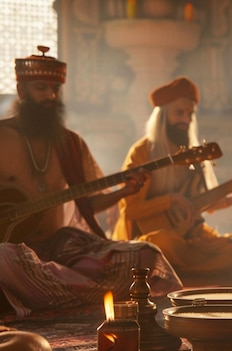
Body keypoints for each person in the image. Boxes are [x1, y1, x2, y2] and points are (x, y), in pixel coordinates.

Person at [0, 46, 183, 318]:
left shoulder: (70, 143)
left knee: (147, 255)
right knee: (4, 258)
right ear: (22, 90)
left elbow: (88, 204)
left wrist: (124, 191)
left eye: (55, 90)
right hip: (14, 251)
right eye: (41, 88)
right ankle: (82, 292)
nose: (50, 96)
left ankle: (45, 293)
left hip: (60, 248)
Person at [112, 76, 232, 277]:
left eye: (190, 114)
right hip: (153, 239)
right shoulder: (142, 153)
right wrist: (170, 201)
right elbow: (130, 211)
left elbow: (200, 202)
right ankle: (204, 269)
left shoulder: (194, 155)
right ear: (162, 116)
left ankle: (182, 270)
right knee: (159, 245)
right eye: (179, 112)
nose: (186, 120)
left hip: (192, 238)